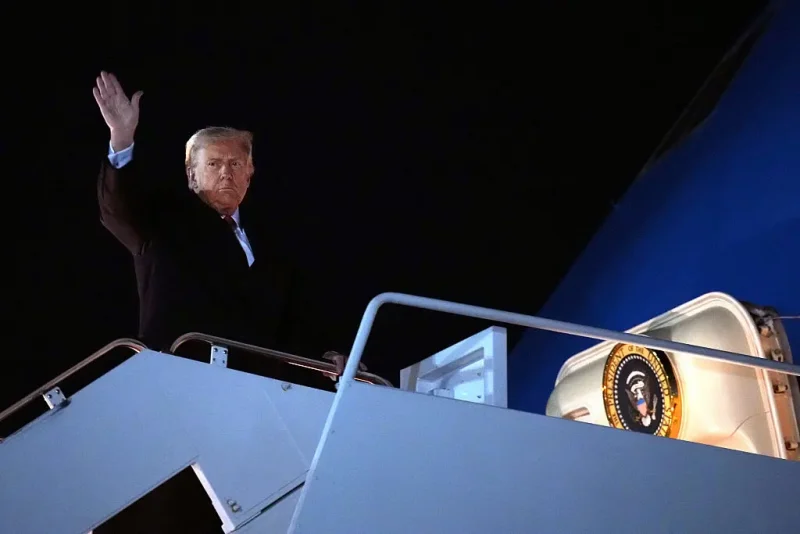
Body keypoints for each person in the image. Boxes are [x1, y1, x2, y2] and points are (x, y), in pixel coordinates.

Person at [92, 71, 354, 533]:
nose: (226, 172)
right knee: (171, 510)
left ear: (251, 173)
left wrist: (326, 358)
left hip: (254, 406)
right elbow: (118, 209)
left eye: (236, 164)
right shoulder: (163, 225)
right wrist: (122, 139)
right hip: (180, 389)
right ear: (192, 175)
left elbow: (289, 327)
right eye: (213, 164)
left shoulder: (272, 252)